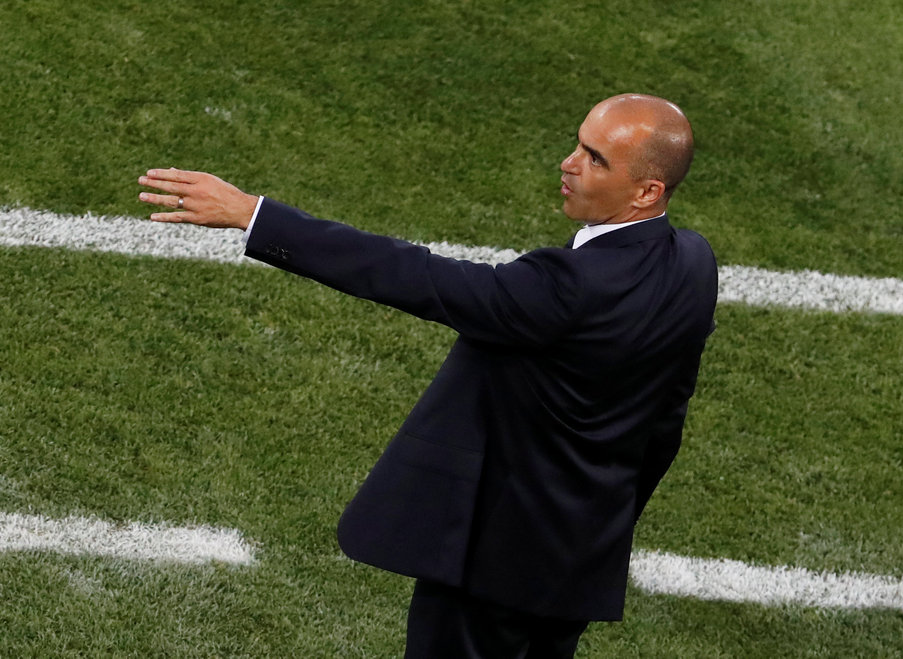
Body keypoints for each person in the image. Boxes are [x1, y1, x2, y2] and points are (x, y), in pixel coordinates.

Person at [138, 93, 717, 658]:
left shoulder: (565, 288)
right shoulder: (693, 263)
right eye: (579, 145)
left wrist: (253, 215)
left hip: (493, 564)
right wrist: (604, 523)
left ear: (647, 191)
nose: (568, 164)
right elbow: (665, 421)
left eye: (595, 159)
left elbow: (412, 275)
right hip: (578, 562)